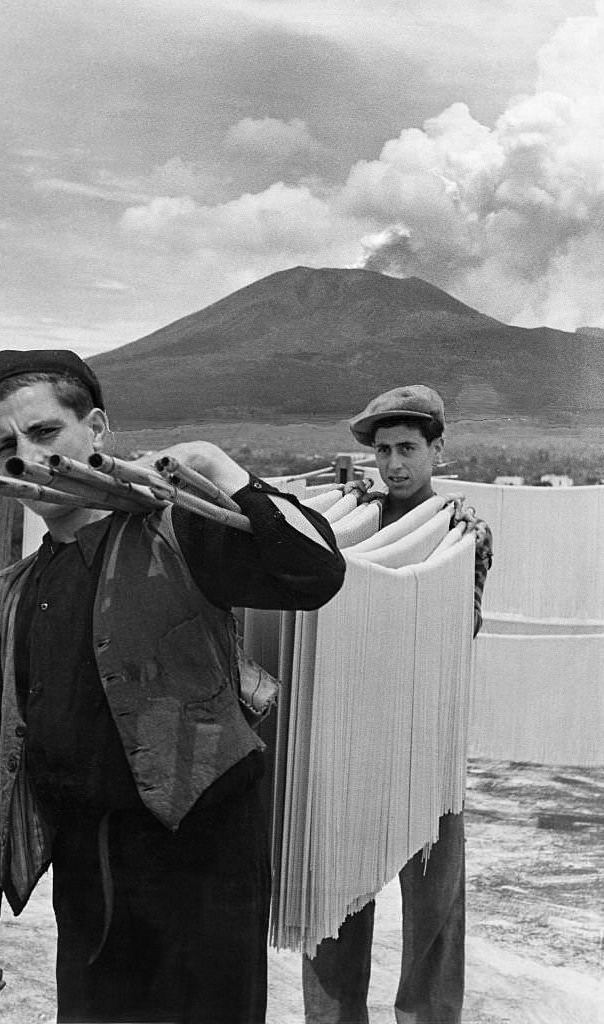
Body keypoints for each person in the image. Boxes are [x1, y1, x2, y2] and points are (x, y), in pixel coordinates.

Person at [0, 348, 346, 1024]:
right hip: (88, 877)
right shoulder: (12, 593)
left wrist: (220, 469)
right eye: (8, 444)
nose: (29, 456)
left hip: (205, 868)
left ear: (96, 428)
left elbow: (314, 576)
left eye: (46, 433)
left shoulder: (177, 530)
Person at [302, 384, 492, 1024]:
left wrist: (449, 547)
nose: (393, 465)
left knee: (435, 917)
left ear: (438, 449)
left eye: (408, 448)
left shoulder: (463, 532)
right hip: (351, 740)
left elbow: (460, 630)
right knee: (333, 906)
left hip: (423, 743)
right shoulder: (346, 526)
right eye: (383, 451)